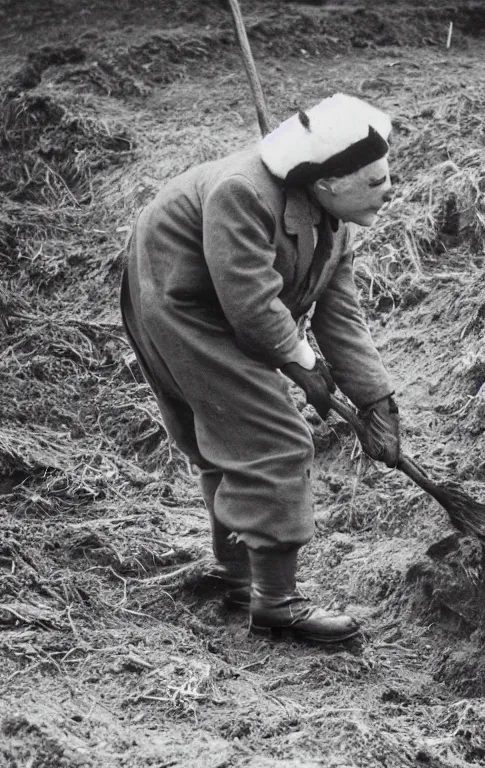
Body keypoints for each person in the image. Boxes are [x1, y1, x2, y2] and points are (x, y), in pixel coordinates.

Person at [120, 94, 401, 643]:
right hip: (182, 304)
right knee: (272, 439)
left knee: (235, 437)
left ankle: (239, 573)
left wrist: (376, 401)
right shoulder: (243, 193)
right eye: (373, 183)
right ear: (325, 183)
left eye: (386, 177)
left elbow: (340, 317)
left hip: (232, 307)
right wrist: (302, 362)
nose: (387, 191)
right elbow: (251, 307)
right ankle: (275, 602)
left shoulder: (338, 220)